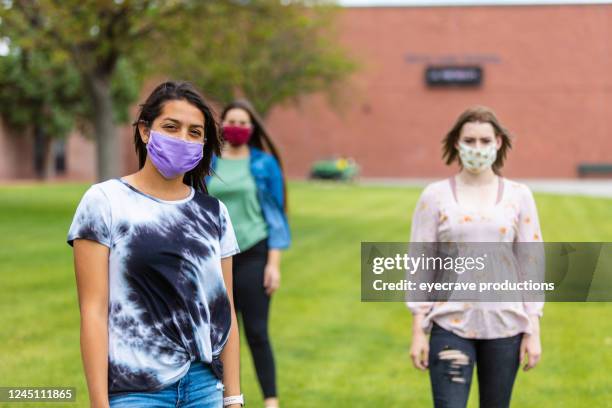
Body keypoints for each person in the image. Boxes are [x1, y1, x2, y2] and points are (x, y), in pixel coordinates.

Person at [67, 81, 244, 408]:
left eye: (194, 132)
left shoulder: (213, 213)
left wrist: (233, 397)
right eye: (171, 127)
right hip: (135, 389)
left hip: (205, 388)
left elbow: (225, 309)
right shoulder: (104, 201)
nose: (183, 138)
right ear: (146, 131)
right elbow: (93, 311)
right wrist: (98, 403)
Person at [407, 106, 543, 408]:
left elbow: (531, 264)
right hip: (449, 324)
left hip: (505, 325)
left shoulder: (519, 195)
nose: (477, 148)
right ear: (457, 143)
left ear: (498, 143)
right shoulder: (434, 195)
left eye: (484, 140)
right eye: (470, 141)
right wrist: (418, 330)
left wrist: (533, 330)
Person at [207, 99, 290, 408]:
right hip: (214, 258)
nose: (237, 127)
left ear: (251, 128)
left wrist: (274, 264)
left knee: (256, 331)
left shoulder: (263, 164)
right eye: (232, 121)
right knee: (217, 334)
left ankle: (270, 400)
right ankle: (223, 397)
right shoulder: (209, 161)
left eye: (244, 122)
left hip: (254, 253)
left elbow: (277, 215)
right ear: (222, 125)